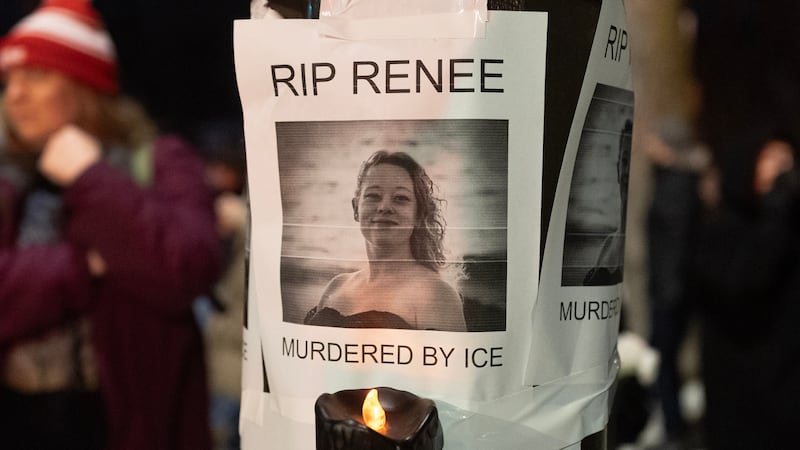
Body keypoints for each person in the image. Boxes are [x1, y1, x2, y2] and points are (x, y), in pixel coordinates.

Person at [0, 1, 220, 449]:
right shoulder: (9, 180)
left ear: (85, 86)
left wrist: (88, 176)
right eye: (8, 81)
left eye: (36, 76)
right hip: (17, 419)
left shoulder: (157, 162)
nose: (15, 95)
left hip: (128, 425)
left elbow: (189, 266)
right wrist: (84, 266)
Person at [304, 150, 466, 331]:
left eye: (400, 198)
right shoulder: (336, 286)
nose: (384, 207)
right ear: (355, 208)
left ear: (419, 215)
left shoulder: (437, 295)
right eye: (373, 196)